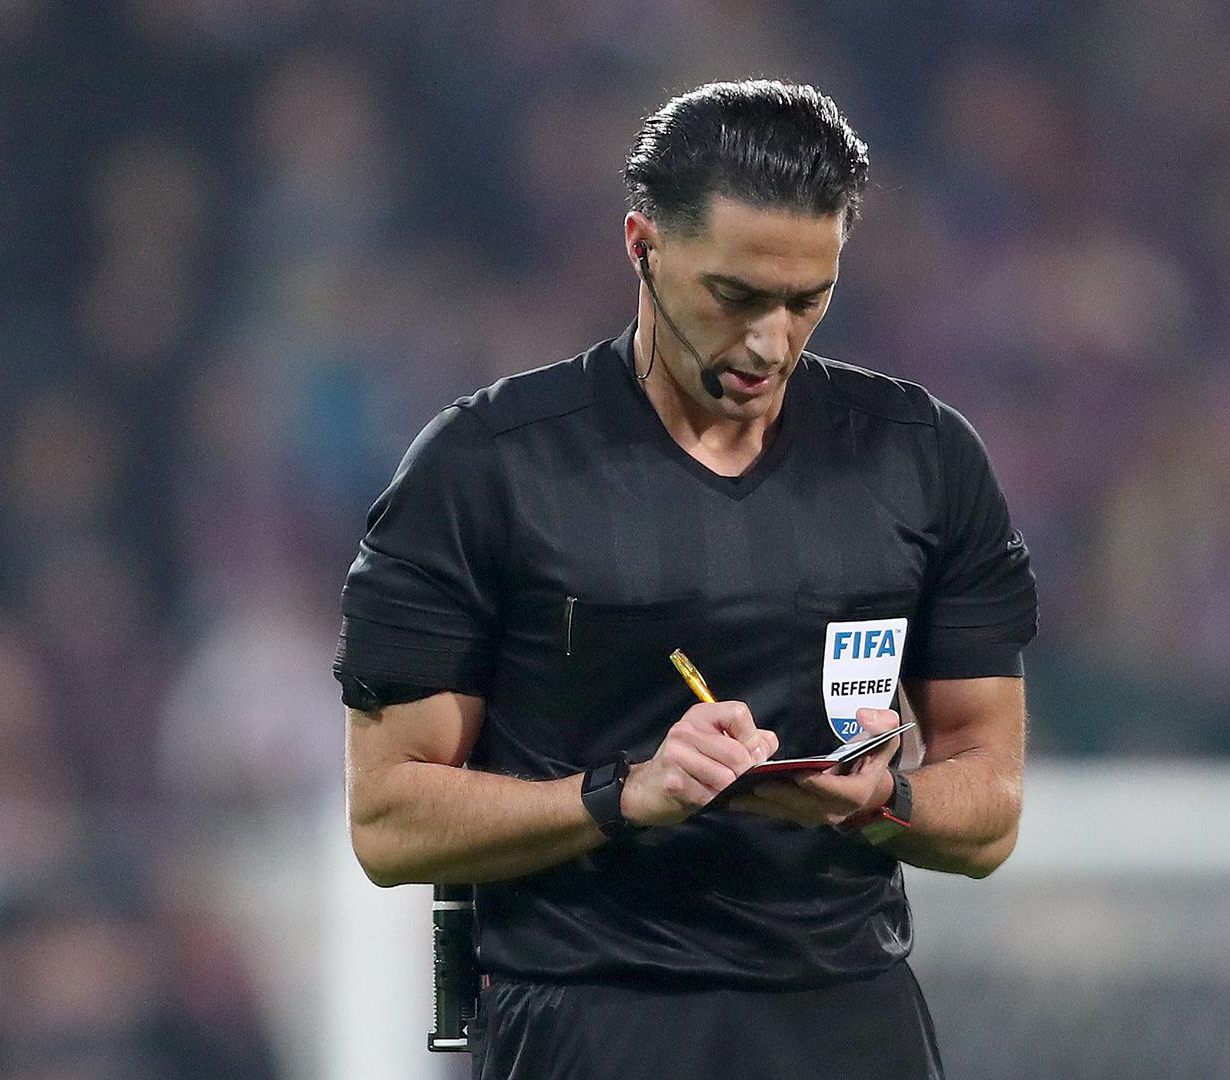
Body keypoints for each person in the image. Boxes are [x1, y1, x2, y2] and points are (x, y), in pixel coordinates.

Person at [335, 79, 1037, 1080]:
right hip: (590, 1023)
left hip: (851, 1021)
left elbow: (990, 809)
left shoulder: (922, 459)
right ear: (643, 245)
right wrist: (625, 795)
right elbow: (388, 822)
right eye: (735, 296)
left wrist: (879, 797)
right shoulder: (483, 468)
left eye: (807, 300)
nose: (770, 342)